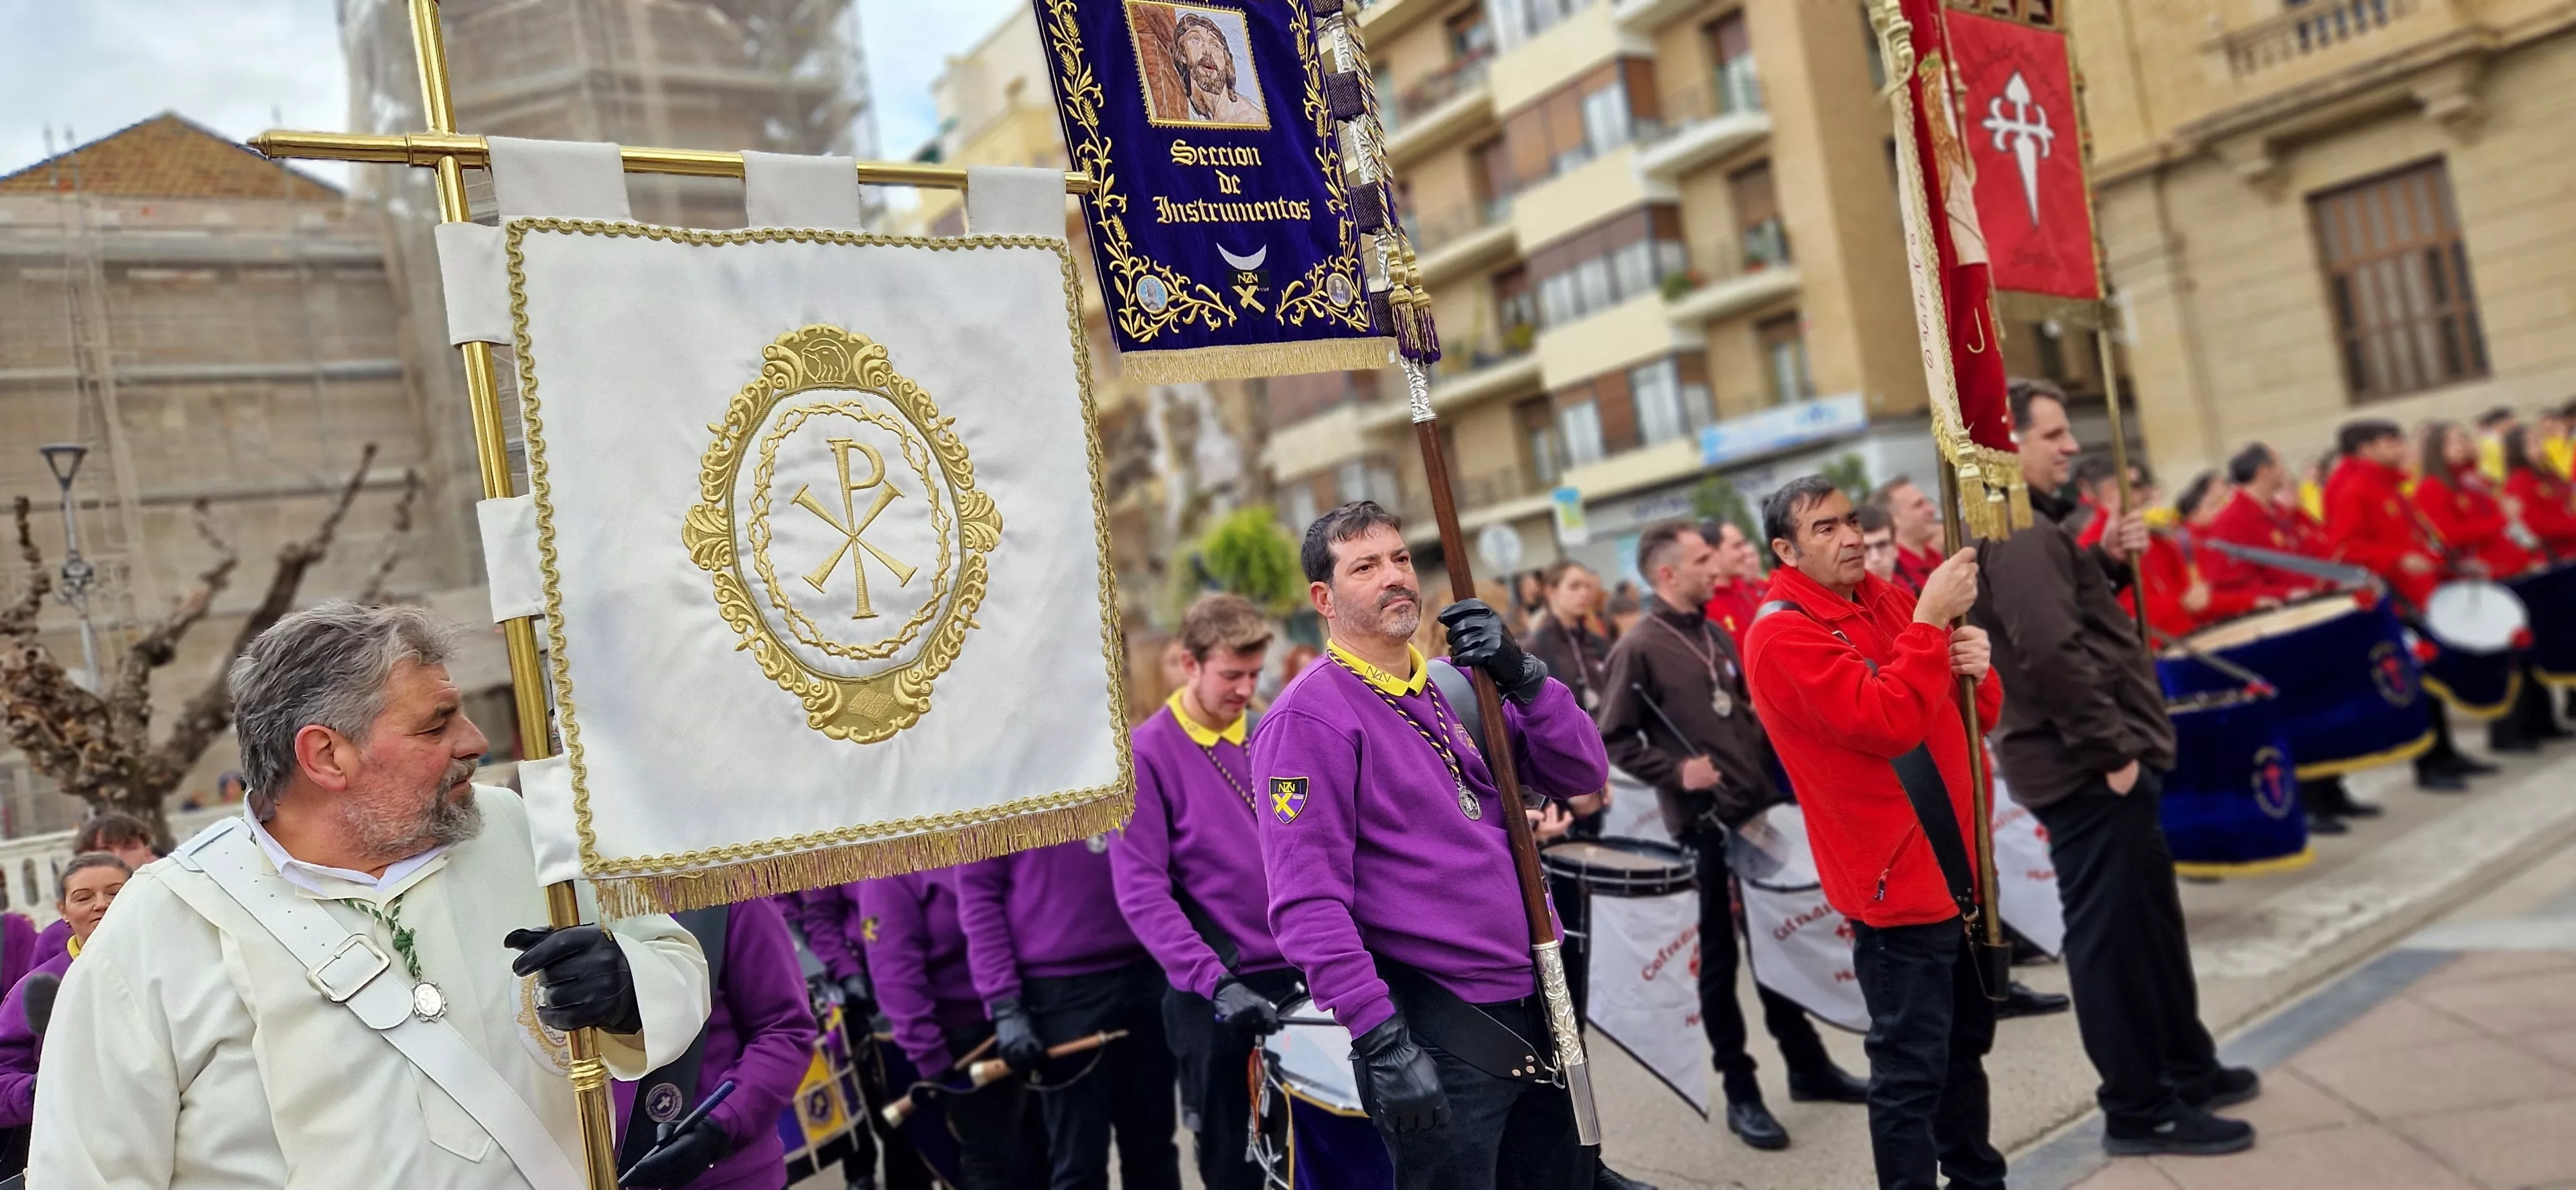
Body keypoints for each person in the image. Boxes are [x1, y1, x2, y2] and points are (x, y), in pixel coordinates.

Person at [32, 601, 710, 1188]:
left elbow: (676, 971)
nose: (472, 742)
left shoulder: (517, 832)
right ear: (326, 756)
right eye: (434, 724)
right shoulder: (160, 928)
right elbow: (87, 1172)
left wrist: (629, 991)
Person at [1255, 501, 1609, 1190]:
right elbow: (1307, 904)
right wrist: (1379, 1037)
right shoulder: (1305, 719)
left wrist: (1523, 676)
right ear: (1323, 599)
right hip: (1440, 1032)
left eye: (1400, 558)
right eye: (1366, 566)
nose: (1394, 577)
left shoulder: (1456, 685)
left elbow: (1580, 772)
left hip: (1539, 1001)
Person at [1971, 382, 2257, 1157]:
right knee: (2112, 944)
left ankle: (2184, 1066)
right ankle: (2138, 1107)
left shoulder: (2035, 527)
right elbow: (2052, 653)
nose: (2070, 447)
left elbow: (2066, 616)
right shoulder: (2020, 530)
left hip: (2099, 762)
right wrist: (2112, 753)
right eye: (2053, 433)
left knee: (2150, 929)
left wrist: (2104, 562)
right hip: (2087, 769)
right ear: (2008, 443)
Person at [1739, 476, 2003, 1190]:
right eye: (1824, 528)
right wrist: (1929, 622)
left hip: (1956, 863)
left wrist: (1975, 665)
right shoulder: (1780, 633)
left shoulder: (1882, 598)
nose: (1851, 537)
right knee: (1909, 1072)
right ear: (1784, 550)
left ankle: (1980, 1181)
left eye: (1851, 521)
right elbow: (1884, 721)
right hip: (1895, 882)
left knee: (1962, 1050)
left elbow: (1963, 712)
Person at [1595, 520, 1869, 1151]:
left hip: (1756, 816)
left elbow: (1741, 714)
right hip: (1703, 830)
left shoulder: (1713, 631)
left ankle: (1806, 1066)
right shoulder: (1637, 646)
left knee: (1778, 946)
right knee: (1718, 967)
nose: (1715, 565)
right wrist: (1676, 773)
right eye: (1700, 558)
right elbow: (1610, 738)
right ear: (1666, 574)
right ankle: (1741, 1091)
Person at [1108, 593, 1295, 1190]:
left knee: (1319, 1161)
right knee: (1237, 1170)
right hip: (1221, 992)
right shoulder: (1145, 754)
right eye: (1230, 675)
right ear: (1188, 664)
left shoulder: (1273, 733)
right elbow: (1142, 893)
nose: (1245, 689)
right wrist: (1214, 981)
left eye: (1254, 674)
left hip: (1305, 978)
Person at [954, 835, 1180, 1190]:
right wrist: (1004, 1003)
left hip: (1145, 974)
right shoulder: (994, 790)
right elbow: (978, 901)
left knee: (1153, 1148)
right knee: (1079, 1160)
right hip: (1060, 995)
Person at [2323, 419, 2497, 790]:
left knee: (2434, 682)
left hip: (2419, 594)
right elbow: (2346, 550)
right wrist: (2397, 559)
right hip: (2392, 601)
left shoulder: (2391, 485)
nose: (2400, 447)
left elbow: (2418, 538)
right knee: (2416, 685)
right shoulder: (2356, 490)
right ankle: (2429, 765)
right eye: (2390, 442)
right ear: (2366, 449)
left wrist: (2449, 563)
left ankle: (2447, 752)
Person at [612, 898, 818, 1189]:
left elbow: (784, 1028)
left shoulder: (721, 880)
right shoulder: (543, 899)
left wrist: (721, 1126)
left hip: (724, 1176)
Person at [862, 869, 1045, 1190]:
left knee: (1046, 1155)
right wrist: (930, 1058)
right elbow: (895, 973)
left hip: (1032, 1016)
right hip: (962, 1038)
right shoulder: (889, 869)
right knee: (992, 1166)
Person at [2414, 418, 2563, 752]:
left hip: (2510, 569)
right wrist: (2501, 518)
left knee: (2526, 650)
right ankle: (2509, 733)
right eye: (2453, 443)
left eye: (2463, 439)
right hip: (2480, 577)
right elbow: (2450, 535)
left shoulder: (2474, 481)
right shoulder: (2433, 488)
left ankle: (2541, 721)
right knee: (2502, 660)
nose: (2463, 446)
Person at [791, 885, 927, 1190]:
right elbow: (820, 916)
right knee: (886, 1100)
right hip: (873, 987)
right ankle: (862, 1170)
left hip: (939, 978)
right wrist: (847, 971)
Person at [0, 853, 129, 1175]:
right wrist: (42, 1091)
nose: (101, 904)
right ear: (64, 912)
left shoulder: (184, 966)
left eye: (116, 892)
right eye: (84, 897)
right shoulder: (37, 987)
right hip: (78, 1153)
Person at [32, 813, 161, 970]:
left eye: (129, 848)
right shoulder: (53, 940)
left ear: (148, 854)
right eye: (104, 849)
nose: (117, 856)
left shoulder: (168, 919)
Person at [1525, 561, 1615, 715]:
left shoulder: (1599, 643)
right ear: (1551, 591)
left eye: (1587, 586)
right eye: (1575, 586)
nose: (1584, 593)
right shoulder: (1535, 649)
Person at [1168, 12, 1264, 124]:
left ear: (1226, 60)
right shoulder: (1180, 111)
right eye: (1196, 39)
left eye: (1215, 45)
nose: (1208, 52)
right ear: (1183, 55)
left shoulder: (1252, 120)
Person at [2504, 423, 2576, 558]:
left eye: (2539, 440)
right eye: (2534, 443)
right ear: (2518, 450)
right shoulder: (2519, 481)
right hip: (2555, 551)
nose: (2541, 446)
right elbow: (2537, 524)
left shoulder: (2548, 474)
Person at [1871, 477, 1947, 594]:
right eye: (1918, 505)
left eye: (1928, 502)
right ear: (1893, 519)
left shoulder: (1937, 557)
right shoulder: (1889, 573)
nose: (1931, 510)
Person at [1699, 520, 1770, 643]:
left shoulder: (1751, 588)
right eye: (1737, 547)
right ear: (1712, 552)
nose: (1745, 552)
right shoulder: (1704, 608)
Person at [1859, 504, 1900, 584]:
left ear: (1896, 547)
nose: (1876, 558)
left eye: (1882, 546)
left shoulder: (1910, 590)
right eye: (1865, 549)